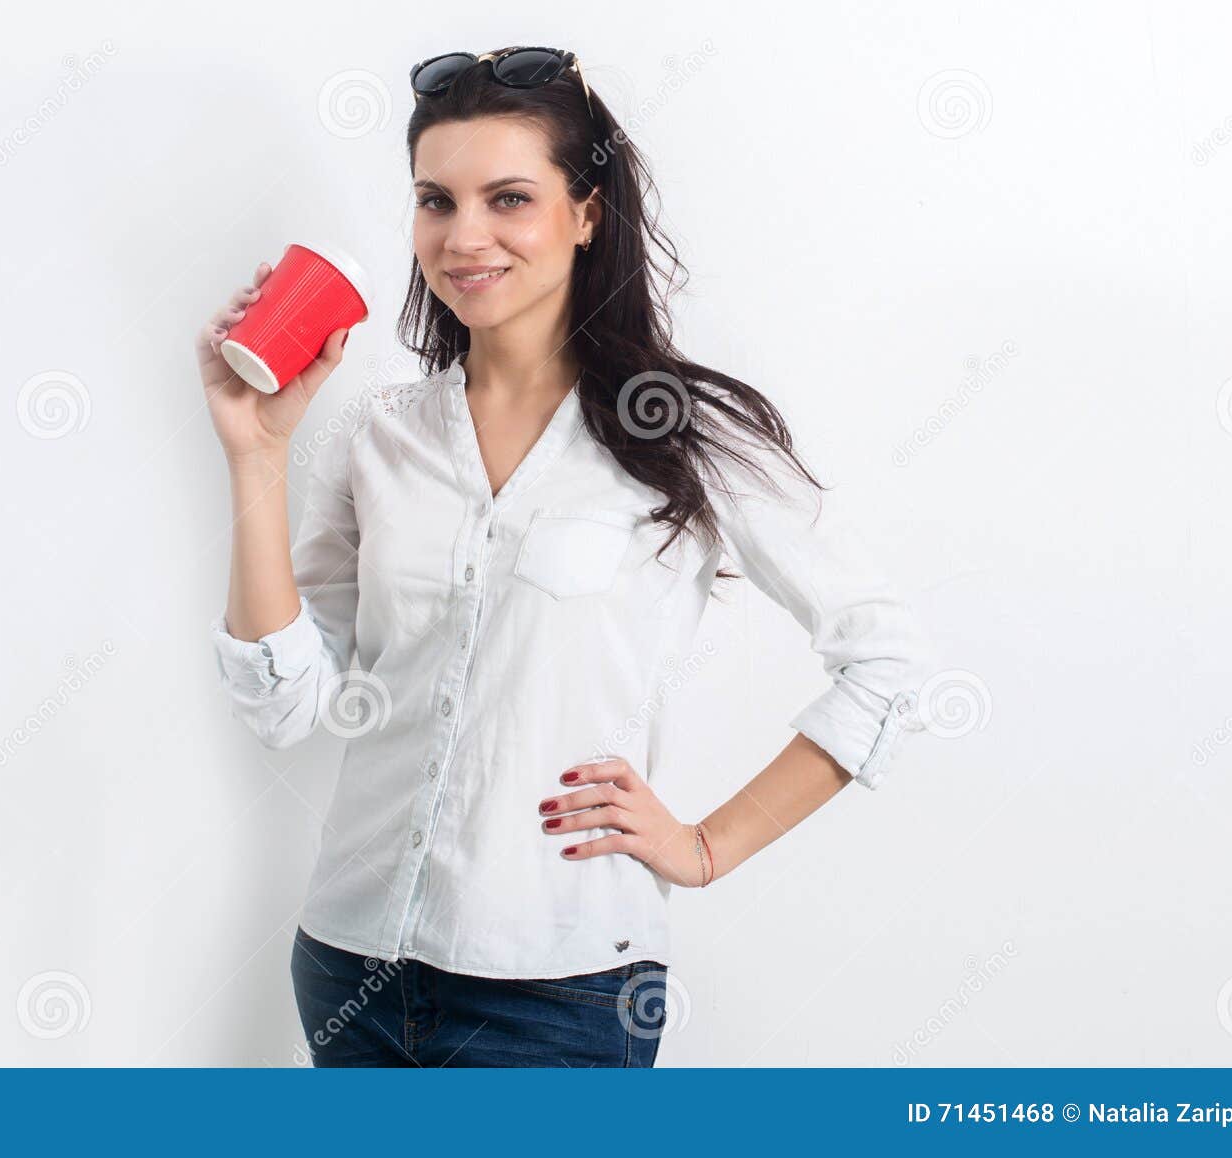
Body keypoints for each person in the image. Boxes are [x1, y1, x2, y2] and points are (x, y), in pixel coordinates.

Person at [196, 47, 936, 1067]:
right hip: (347, 966)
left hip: (558, 995)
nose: (463, 238)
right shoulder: (383, 436)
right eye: (434, 200)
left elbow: (885, 663)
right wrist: (259, 459)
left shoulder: (683, 431)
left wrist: (705, 847)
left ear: (586, 212)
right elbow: (285, 703)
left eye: (509, 198)